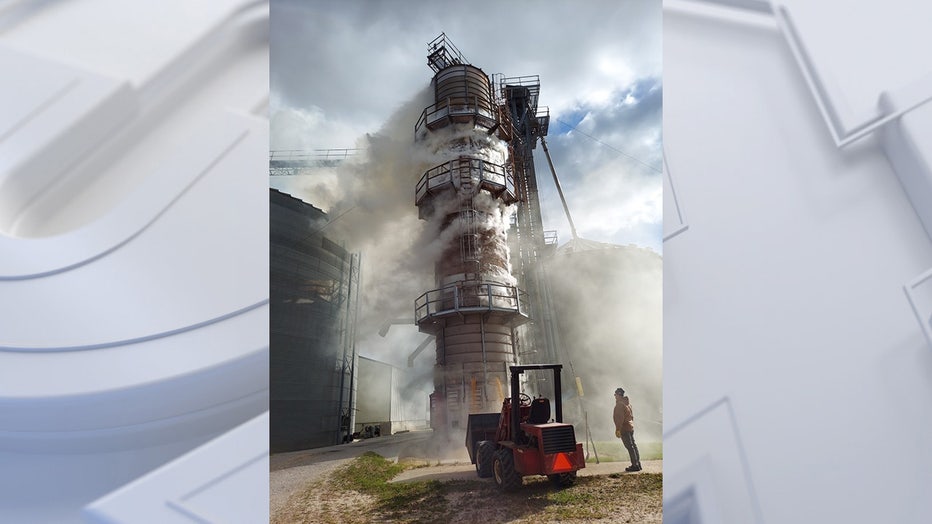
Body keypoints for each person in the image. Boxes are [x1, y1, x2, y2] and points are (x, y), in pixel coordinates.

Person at [613, 387, 641, 472]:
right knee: (633, 446)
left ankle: (634, 465)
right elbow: (631, 416)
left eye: (615, 394)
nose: (614, 396)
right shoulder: (627, 404)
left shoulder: (619, 405)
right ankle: (638, 464)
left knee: (630, 447)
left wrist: (618, 429)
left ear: (618, 395)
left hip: (624, 428)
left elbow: (619, 418)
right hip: (630, 427)